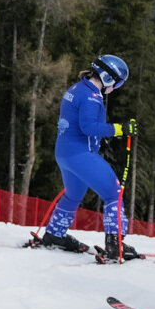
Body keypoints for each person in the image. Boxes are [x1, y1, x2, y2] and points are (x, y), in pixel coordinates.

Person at [38, 55, 139, 259]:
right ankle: (115, 244)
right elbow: (88, 127)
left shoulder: (78, 88)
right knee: (113, 192)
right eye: (117, 84)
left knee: (73, 195)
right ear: (108, 78)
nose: (115, 88)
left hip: (65, 153)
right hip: (80, 154)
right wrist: (120, 129)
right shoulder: (91, 97)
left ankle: (54, 235)